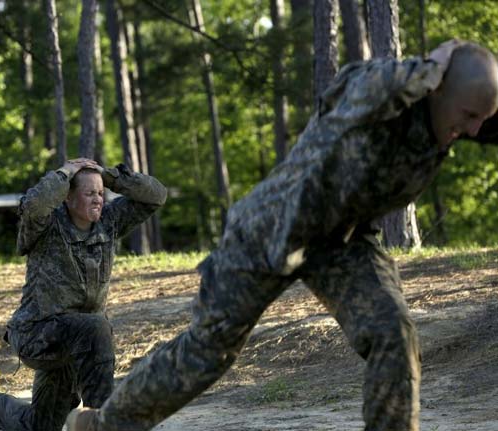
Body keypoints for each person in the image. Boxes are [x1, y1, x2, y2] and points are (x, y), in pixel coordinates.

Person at [65, 40, 498, 431]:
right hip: (269, 229)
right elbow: (357, 86)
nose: (474, 130)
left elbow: (482, 110)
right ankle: (103, 425)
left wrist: (474, 97)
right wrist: (430, 66)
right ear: (435, 87)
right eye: (468, 116)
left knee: (393, 332)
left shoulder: (453, 118)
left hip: (341, 243)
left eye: (483, 119)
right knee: (206, 354)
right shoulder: (376, 92)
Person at [0, 158, 167, 431]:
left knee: (40, 427)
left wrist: (110, 177)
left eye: (100, 193)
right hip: (37, 335)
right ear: (68, 198)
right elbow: (34, 204)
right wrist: (65, 173)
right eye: (89, 193)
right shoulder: (46, 225)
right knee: (97, 327)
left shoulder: (109, 221)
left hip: (78, 345)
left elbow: (156, 196)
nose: (98, 199)